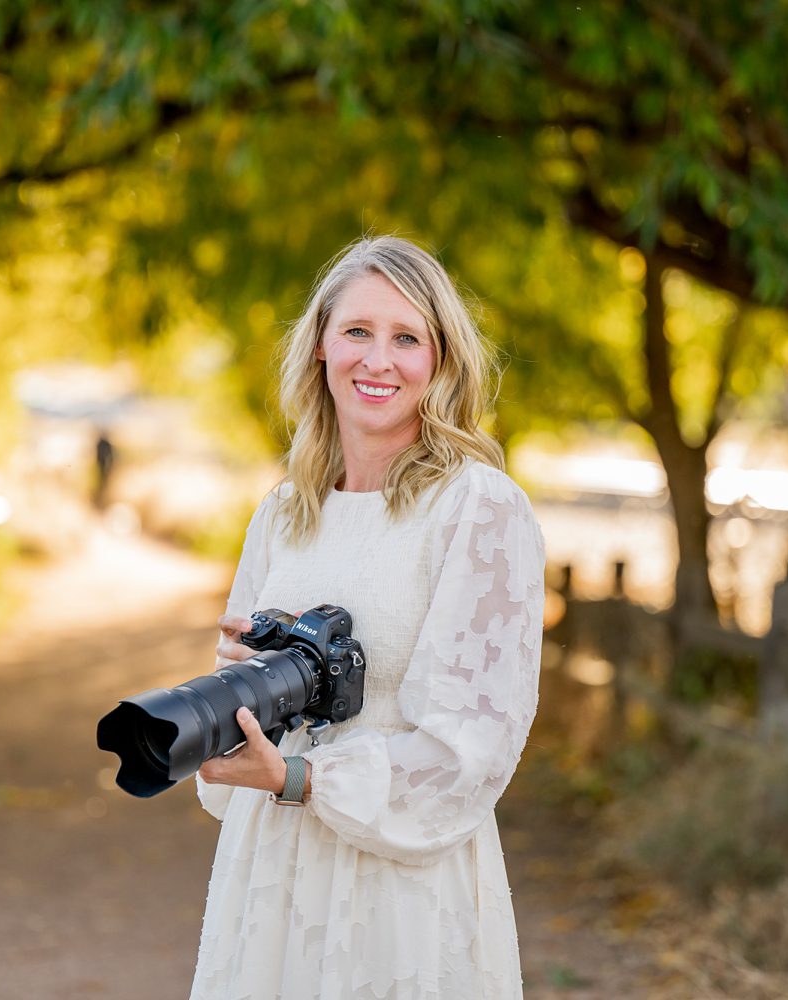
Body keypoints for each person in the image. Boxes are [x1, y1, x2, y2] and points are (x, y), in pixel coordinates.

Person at [191, 236, 545, 999]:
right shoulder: (286, 510)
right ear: (321, 344)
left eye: (406, 338)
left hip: (400, 886)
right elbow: (239, 690)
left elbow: (472, 747)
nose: (378, 361)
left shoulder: (477, 506)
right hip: (271, 870)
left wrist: (302, 777)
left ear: (441, 359)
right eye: (357, 331)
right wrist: (236, 700)